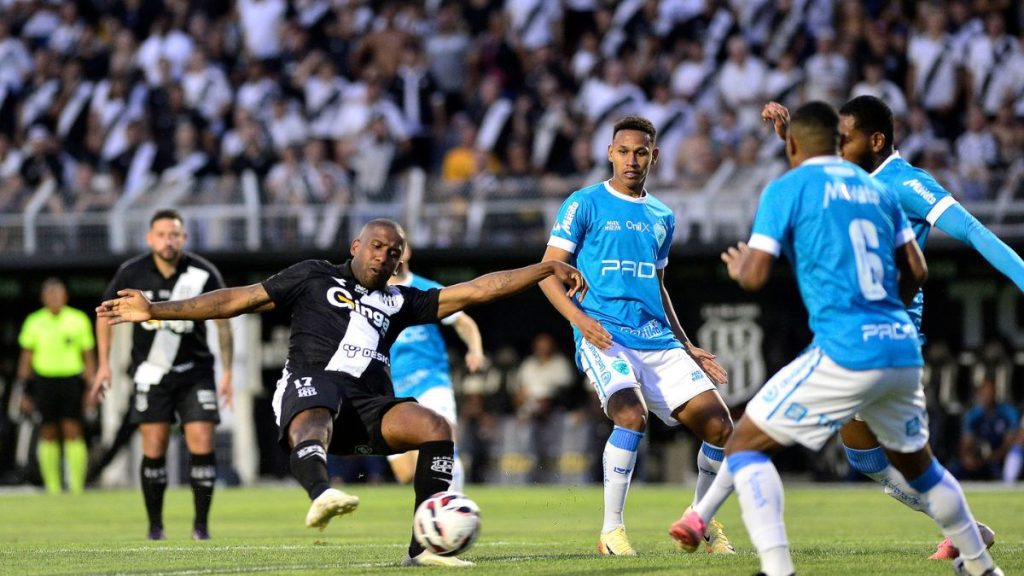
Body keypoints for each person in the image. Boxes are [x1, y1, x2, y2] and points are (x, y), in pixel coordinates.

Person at [95, 218, 586, 567]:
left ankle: (425, 549)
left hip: (368, 406)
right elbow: (237, 299)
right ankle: (321, 492)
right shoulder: (312, 275)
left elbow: (482, 289)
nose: (384, 255)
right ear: (355, 246)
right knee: (320, 398)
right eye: (376, 245)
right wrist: (158, 309)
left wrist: (543, 269)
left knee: (437, 428)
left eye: (394, 251)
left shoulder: (401, 301)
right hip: (309, 386)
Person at [670, 101, 1003, 576]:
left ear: (791, 146)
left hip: (847, 346)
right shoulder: (877, 192)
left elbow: (757, 275)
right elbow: (918, 270)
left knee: (744, 443)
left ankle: (769, 563)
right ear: (835, 142)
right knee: (915, 466)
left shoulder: (789, 188)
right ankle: (984, 566)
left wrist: (742, 269)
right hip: (900, 343)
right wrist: (888, 307)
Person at [762, 94, 1016, 560]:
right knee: (867, 456)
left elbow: (974, 231)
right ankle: (966, 530)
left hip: (885, 335)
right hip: (853, 329)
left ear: (876, 141)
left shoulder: (905, 182)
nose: (835, 145)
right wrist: (790, 140)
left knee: (761, 424)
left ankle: (707, 514)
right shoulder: (853, 178)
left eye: (845, 137)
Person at [539, 115, 735, 556]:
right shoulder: (583, 203)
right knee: (631, 416)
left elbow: (658, 286)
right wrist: (580, 320)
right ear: (610, 153)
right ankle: (611, 532)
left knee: (721, 427)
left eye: (641, 152)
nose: (632, 160)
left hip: (659, 340)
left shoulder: (662, 215)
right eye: (624, 151)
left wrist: (685, 344)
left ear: (654, 156)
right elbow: (547, 274)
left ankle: (700, 519)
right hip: (605, 335)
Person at [88, 209, 234, 541]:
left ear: (184, 238)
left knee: (203, 442)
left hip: (196, 371)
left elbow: (224, 319)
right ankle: (155, 527)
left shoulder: (202, 272)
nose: (168, 241)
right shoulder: (132, 272)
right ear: (150, 238)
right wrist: (104, 365)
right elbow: (103, 313)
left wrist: (226, 372)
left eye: (175, 234)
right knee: (153, 446)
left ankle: (201, 527)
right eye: (162, 234)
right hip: (151, 373)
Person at [385, 243, 486, 492]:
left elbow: (463, 322)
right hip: (394, 388)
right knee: (405, 472)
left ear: (407, 252)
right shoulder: (372, 294)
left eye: (397, 246)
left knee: (443, 443)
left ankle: (451, 508)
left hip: (431, 379)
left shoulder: (425, 287)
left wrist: (475, 349)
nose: (391, 252)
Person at [17, 278, 96, 494]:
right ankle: (53, 488)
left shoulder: (78, 319)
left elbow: (88, 356)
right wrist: (23, 390)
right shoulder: (34, 322)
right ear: (43, 298)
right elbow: (26, 357)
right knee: (48, 432)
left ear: (65, 296)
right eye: (50, 294)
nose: (54, 298)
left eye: (58, 294)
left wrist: (91, 387)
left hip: (71, 380)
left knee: (72, 430)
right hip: (44, 381)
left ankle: (76, 487)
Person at [952, 379, 1020, 481]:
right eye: (984, 393)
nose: (987, 396)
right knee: (956, 468)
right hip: (978, 457)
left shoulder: (1008, 413)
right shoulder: (973, 415)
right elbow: (965, 442)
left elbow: (1009, 444)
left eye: (989, 393)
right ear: (979, 395)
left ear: (995, 393)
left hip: (998, 457)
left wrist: (991, 458)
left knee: (999, 468)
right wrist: (968, 457)